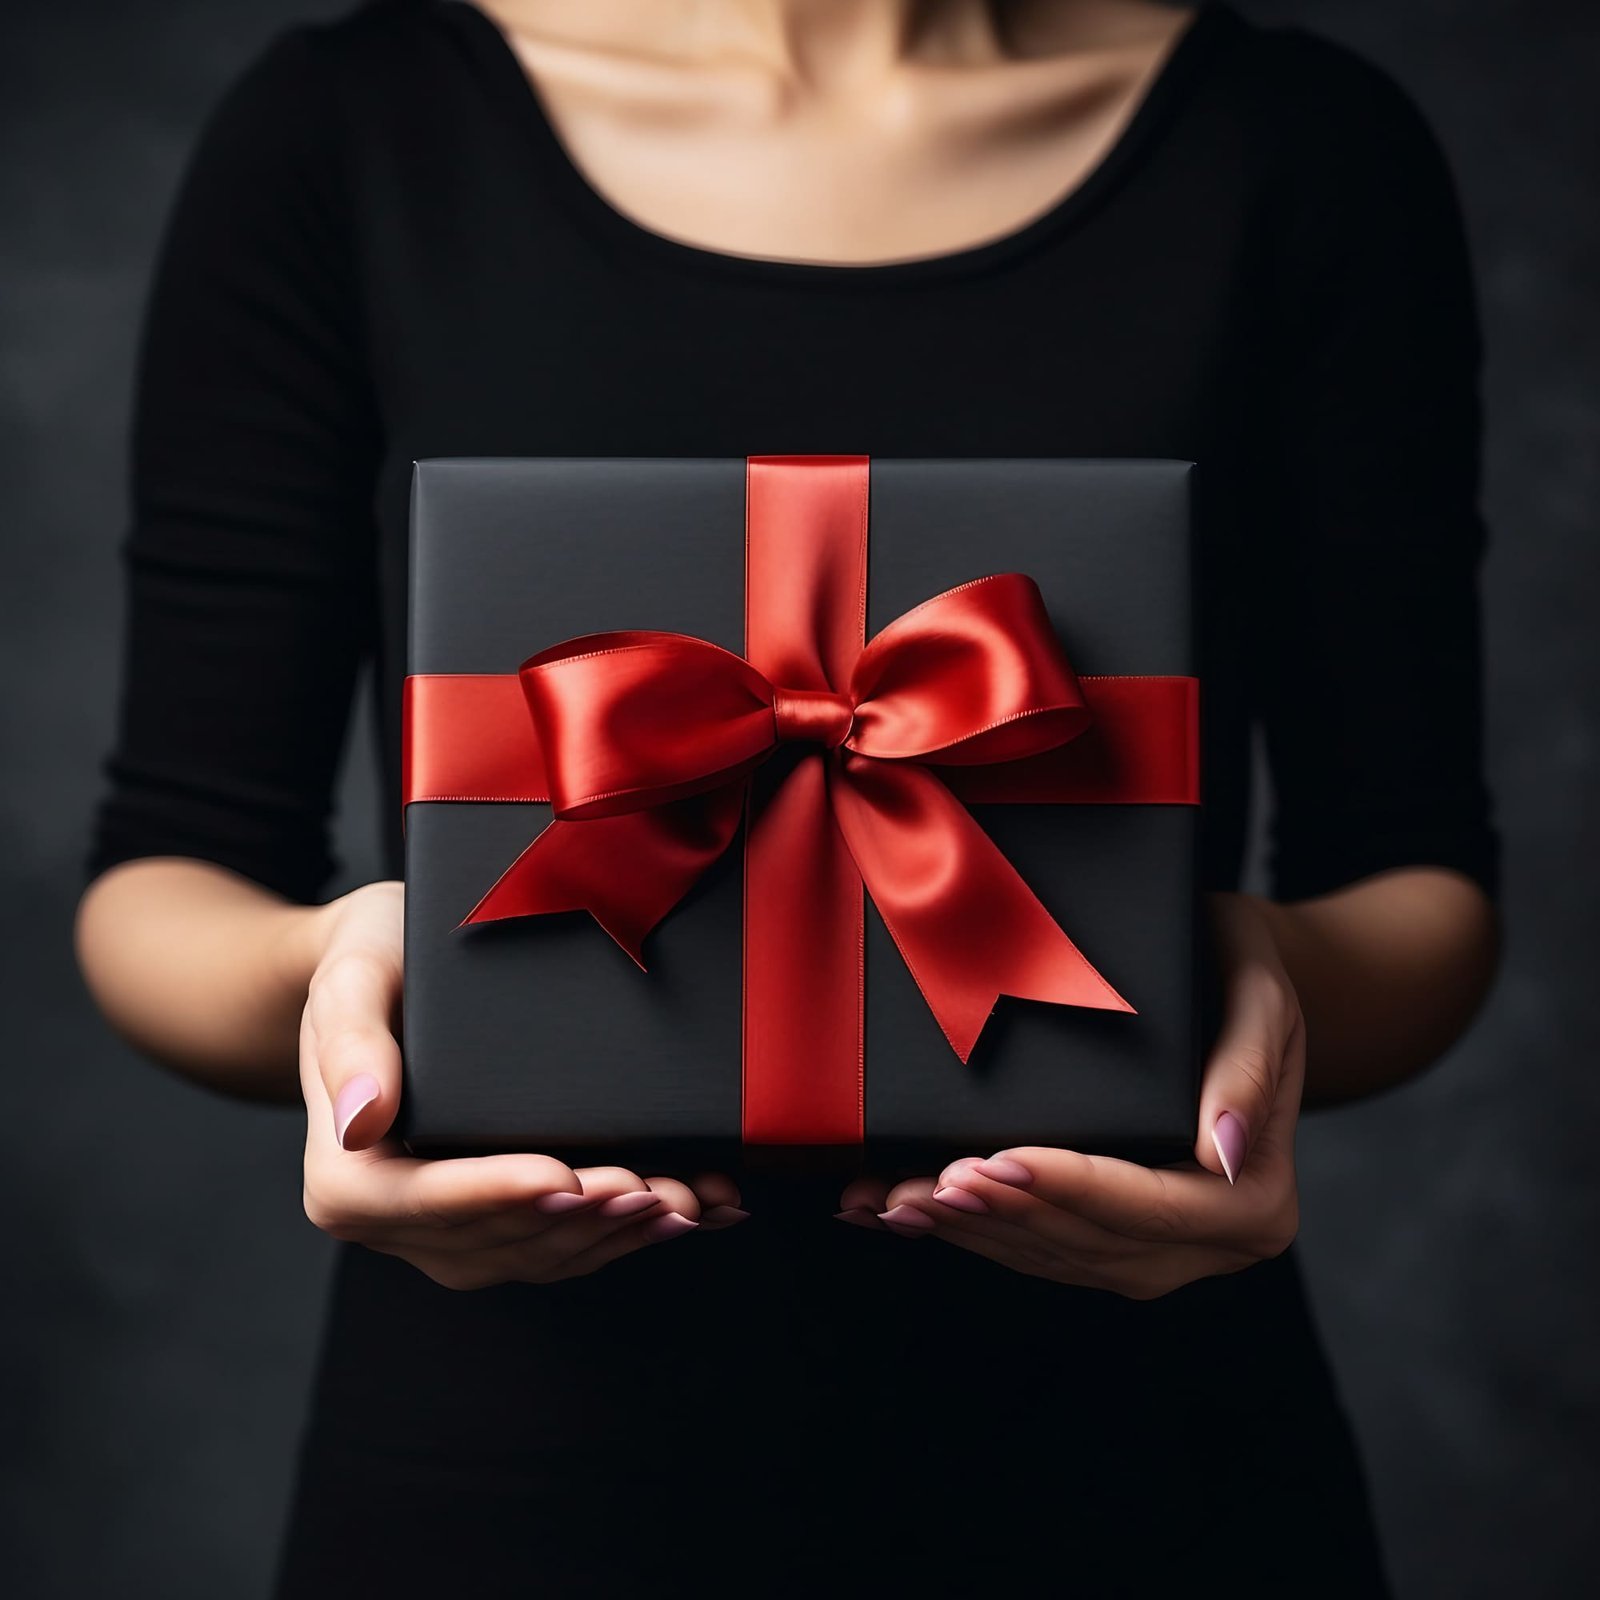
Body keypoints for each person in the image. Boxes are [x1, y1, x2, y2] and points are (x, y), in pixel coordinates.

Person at [76, 1, 1499, 1593]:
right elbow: (167, 876)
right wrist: (342, 974)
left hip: (1150, 1455)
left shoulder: (1300, 142)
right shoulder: (349, 128)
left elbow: (1419, 879)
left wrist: (1252, 975)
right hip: (501, 1469)